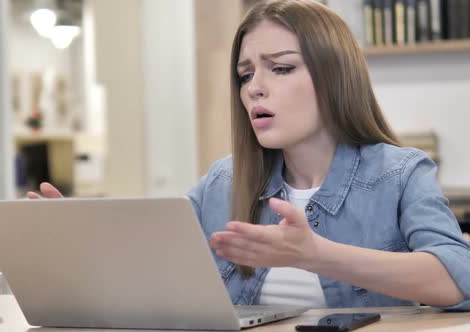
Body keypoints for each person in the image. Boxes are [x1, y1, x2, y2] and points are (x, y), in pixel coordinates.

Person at [29, 0, 470, 310]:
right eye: (246, 74)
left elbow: (458, 279)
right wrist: (80, 243)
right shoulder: (223, 181)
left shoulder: (401, 173)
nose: (255, 87)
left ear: (335, 77)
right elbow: (152, 264)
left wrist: (315, 254)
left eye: (281, 68)